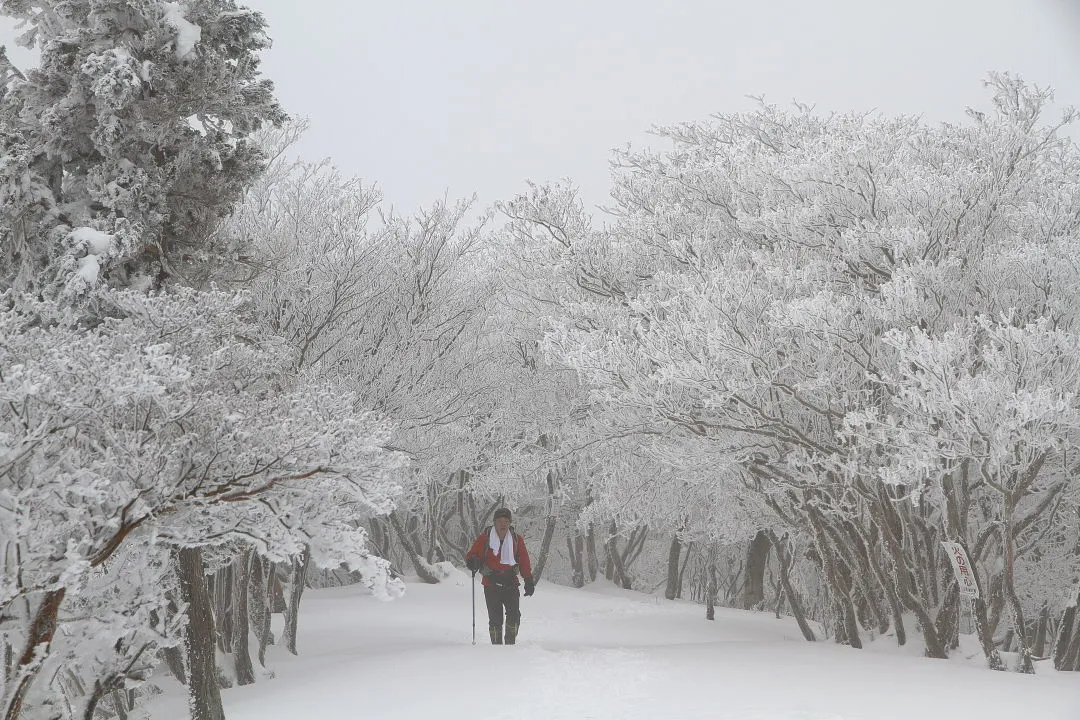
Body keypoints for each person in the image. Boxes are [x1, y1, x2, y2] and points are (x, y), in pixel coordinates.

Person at [465, 507, 535, 644]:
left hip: (511, 583)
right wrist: (472, 561)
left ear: (510, 523)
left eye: (506, 521)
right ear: (494, 522)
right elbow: (471, 556)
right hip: (491, 584)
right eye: (500, 521)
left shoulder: (516, 540)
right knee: (495, 619)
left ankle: (510, 644)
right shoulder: (485, 539)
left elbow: (524, 561)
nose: (503, 524)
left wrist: (528, 580)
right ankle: (496, 649)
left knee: (514, 617)